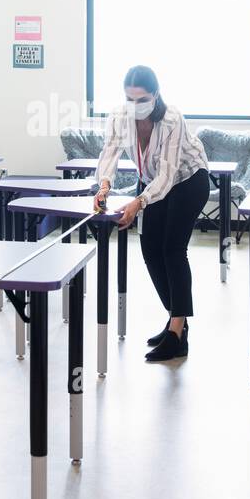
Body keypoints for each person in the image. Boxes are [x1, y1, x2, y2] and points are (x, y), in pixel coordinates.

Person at [93, 65, 210, 362]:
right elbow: (109, 154)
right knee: (149, 250)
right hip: (150, 182)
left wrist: (137, 203)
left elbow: (168, 177)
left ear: (155, 95)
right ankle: (177, 319)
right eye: (129, 99)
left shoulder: (172, 119)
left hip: (188, 179)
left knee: (172, 249)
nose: (135, 106)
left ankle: (177, 332)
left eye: (142, 99)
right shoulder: (120, 117)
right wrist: (104, 186)